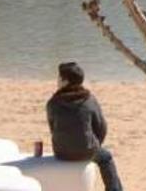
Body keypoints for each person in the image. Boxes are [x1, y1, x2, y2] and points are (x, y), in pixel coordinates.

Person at [47, 62, 124, 191]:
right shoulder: (89, 99)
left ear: (65, 81)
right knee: (106, 158)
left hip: (61, 152)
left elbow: (52, 128)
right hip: (87, 150)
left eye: (59, 78)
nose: (57, 81)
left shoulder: (53, 103)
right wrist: (94, 143)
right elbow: (101, 127)